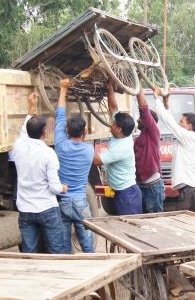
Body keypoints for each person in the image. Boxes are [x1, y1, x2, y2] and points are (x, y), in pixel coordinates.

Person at [12, 91, 68, 253]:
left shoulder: (18, 147)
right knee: (55, 250)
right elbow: (54, 188)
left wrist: (31, 106)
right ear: (44, 132)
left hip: (25, 210)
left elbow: (25, 129)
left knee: (29, 252)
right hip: (47, 209)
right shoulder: (48, 154)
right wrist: (62, 188)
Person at [54, 79, 95, 252]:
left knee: (64, 246)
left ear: (67, 131)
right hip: (80, 200)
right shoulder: (89, 151)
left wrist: (63, 89)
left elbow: (60, 115)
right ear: (84, 132)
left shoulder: (60, 145)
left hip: (63, 200)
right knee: (87, 243)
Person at [153, 88, 195, 213]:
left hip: (190, 191)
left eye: (182, 121)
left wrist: (156, 98)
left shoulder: (188, 136)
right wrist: (166, 103)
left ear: (189, 126)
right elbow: (172, 121)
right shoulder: (189, 137)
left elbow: (170, 122)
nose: (179, 123)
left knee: (183, 223)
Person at [93, 80, 142, 215]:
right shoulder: (121, 134)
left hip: (127, 195)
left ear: (119, 129)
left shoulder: (122, 148)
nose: (111, 124)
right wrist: (110, 89)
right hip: (118, 191)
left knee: (129, 229)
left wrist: (78, 144)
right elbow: (113, 108)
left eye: (113, 124)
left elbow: (96, 161)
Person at [134, 89, 164, 213]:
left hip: (153, 186)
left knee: (156, 222)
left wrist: (137, 88)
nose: (138, 120)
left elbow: (144, 109)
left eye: (141, 118)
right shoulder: (137, 139)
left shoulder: (153, 132)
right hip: (141, 185)